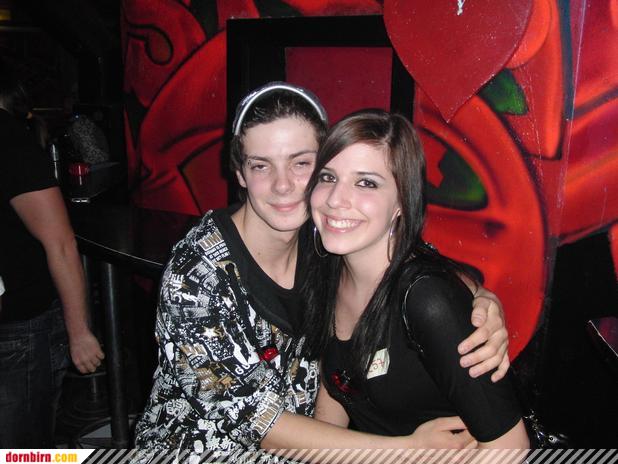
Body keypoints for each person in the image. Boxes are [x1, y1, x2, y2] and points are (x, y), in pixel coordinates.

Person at [134, 83, 511, 460]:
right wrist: (407, 452)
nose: (283, 185)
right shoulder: (195, 276)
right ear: (240, 174)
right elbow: (256, 421)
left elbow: (409, 263)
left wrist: (480, 299)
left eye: (301, 163)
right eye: (261, 165)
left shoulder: (325, 237)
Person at [306, 109, 529, 448]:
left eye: (366, 183)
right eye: (327, 177)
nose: (336, 199)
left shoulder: (427, 300)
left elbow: (511, 448)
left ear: (402, 201)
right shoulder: (329, 268)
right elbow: (337, 389)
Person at [0, 59, 104, 447]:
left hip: (20, 329)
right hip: (17, 326)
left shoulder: (9, 140)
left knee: (21, 451)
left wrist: (79, 332)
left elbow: (60, 242)